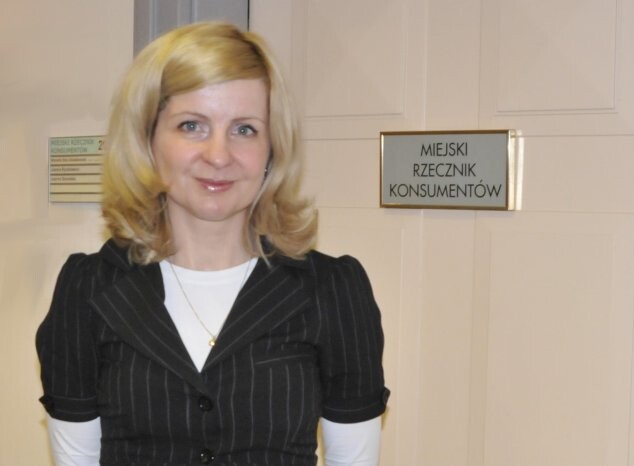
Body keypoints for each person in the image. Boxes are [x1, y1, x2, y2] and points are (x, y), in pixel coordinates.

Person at [36, 22, 389, 466]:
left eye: (245, 129)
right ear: (148, 140)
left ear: (272, 147)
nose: (219, 155)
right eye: (192, 126)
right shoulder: (88, 289)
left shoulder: (334, 290)